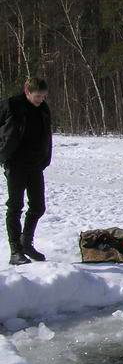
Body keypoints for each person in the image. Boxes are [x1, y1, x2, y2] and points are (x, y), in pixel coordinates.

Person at [0, 77, 52, 265]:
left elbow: (46, 133)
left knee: (38, 206)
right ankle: (15, 251)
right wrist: (3, 152)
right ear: (27, 92)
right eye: (37, 96)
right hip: (15, 163)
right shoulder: (11, 105)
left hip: (35, 164)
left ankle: (26, 243)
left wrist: (46, 157)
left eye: (44, 97)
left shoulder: (43, 108)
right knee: (15, 207)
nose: (41, 100)